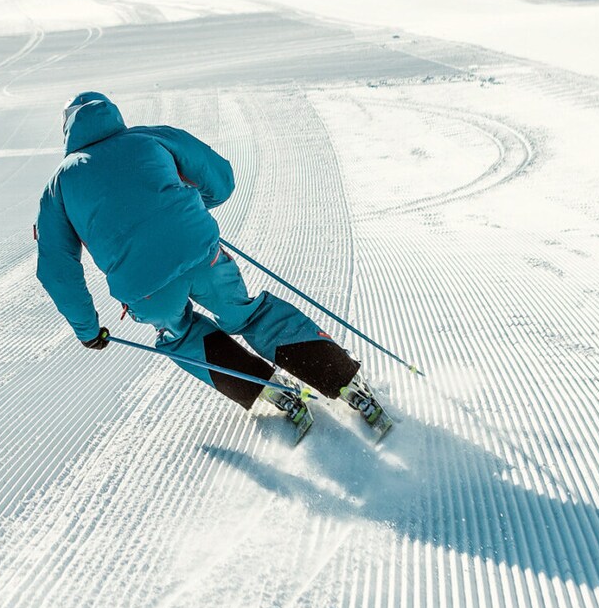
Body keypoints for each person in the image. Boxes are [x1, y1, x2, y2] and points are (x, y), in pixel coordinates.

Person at [34, 91, 390, 437]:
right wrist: (189, 209)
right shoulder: (150, 138)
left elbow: (57, 271)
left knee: (179, 333)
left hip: (144, 289)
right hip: (200, 251)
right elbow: (219, 178)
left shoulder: (58, 187)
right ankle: (343, 379)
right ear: (113, 113)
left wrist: (88, 331)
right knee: (247, 314)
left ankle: (267, 390)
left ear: (67, 131)